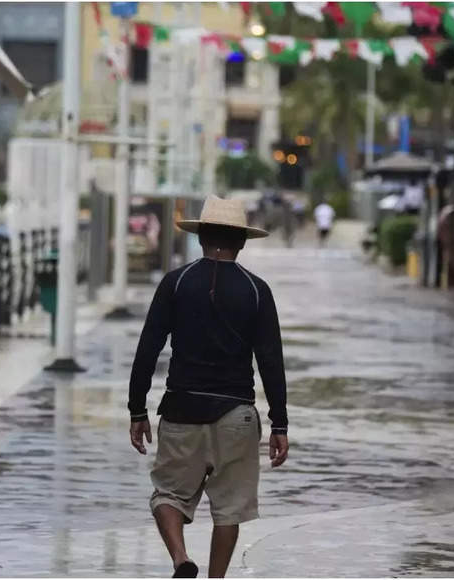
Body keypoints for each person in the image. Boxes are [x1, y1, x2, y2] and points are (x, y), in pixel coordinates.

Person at [128, 196, 290, 578]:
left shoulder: (176, 282)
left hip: (181, 408)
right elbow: (271, 361)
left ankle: (181, 559)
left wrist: (137, 410)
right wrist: (279, 424)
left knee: (167, 494)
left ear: (200, 238)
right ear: (243, 242)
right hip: (236, 414)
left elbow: (148, 348)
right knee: (229, 508)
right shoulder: (256, 290)